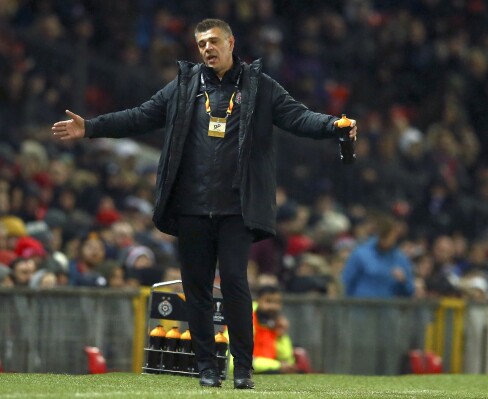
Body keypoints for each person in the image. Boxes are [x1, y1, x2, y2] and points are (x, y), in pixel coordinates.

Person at [52, 18, 357, 389]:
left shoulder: (259, 86)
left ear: (231, 42)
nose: (207, 49)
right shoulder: (184, 86)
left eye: (213, 41)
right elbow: (140, 116)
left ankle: (242, 368)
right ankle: (206, 368)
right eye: (200, 44)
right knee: (196, 288)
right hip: (191, 206)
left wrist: (332, 124)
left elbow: (298, 117)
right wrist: (91, 127)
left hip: (236, 208)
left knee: (233, 282)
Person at [342, 214, 415, 298]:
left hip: (388, 308)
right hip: (361, 307)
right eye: (384, 236)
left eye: (389, 236)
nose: (386, 240)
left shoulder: (400, 259)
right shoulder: (360, 254)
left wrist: (403, 281)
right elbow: (346, 282)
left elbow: (409, 291)